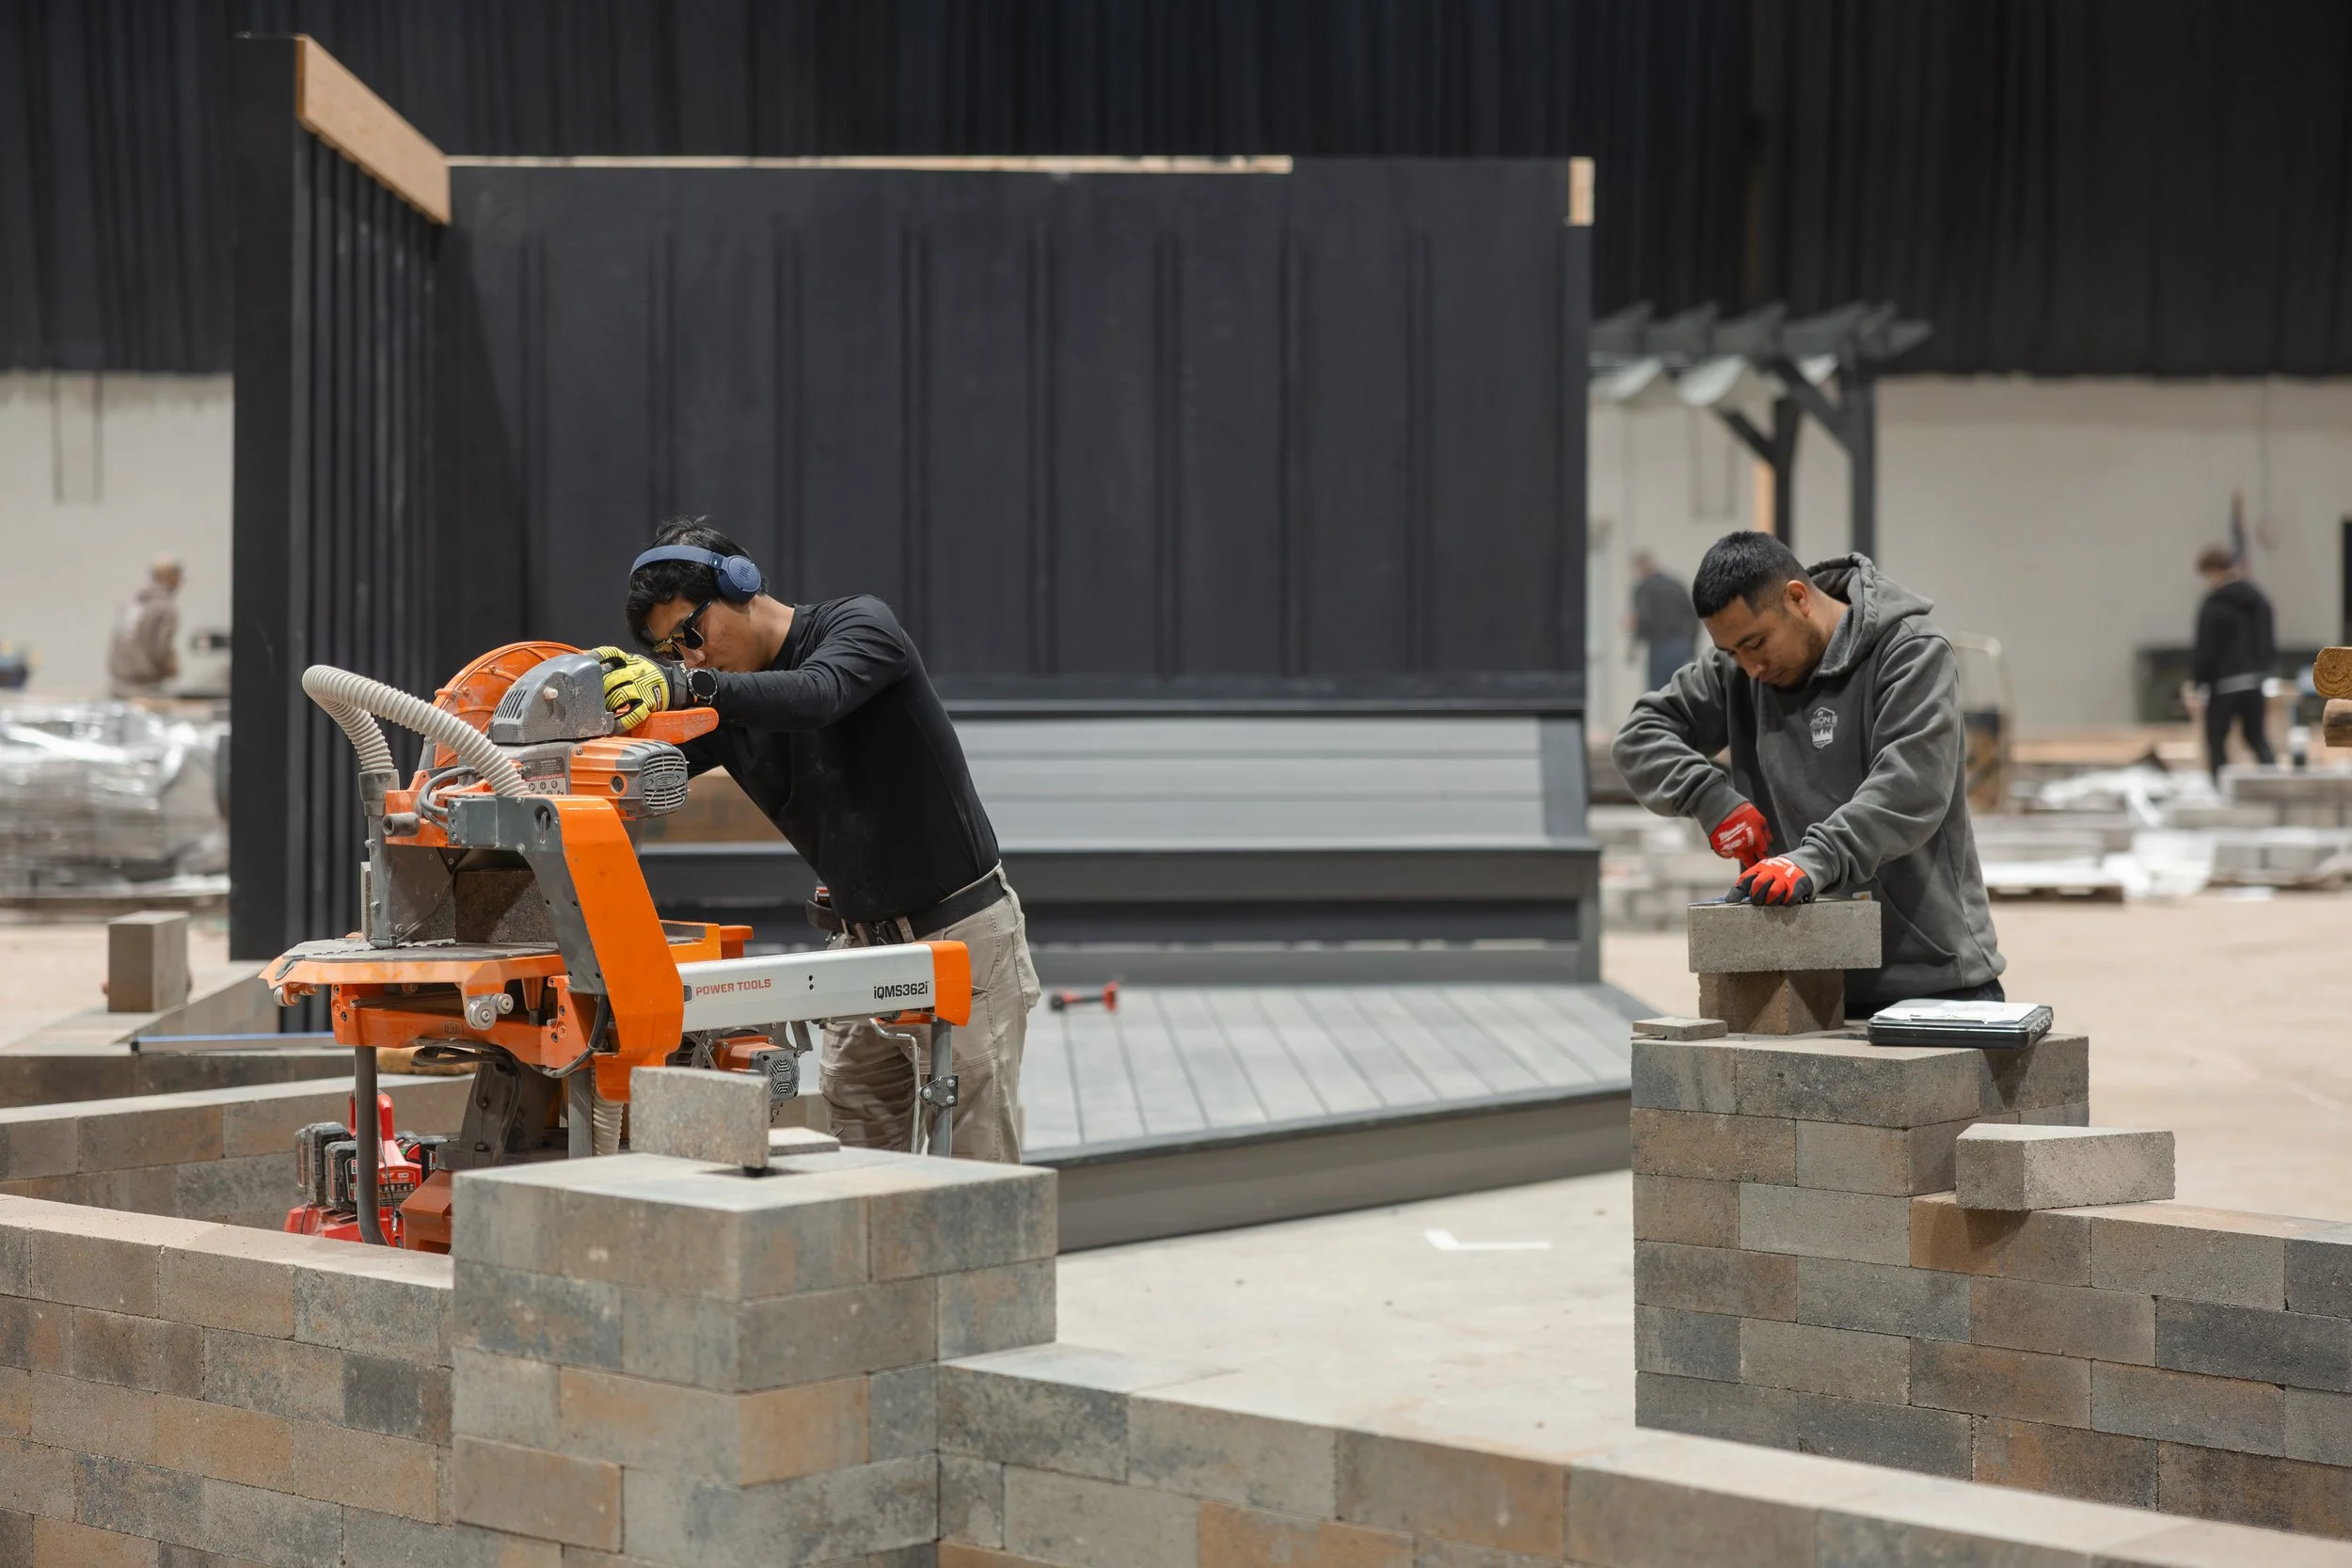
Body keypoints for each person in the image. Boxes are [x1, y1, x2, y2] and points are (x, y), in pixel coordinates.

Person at [596, 520, 1040, 1162]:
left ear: (741, 585)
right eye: (671, 651)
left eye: (691, 633)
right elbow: (636, 772)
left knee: (980, 1174)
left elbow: (816, 695)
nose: (690, 657)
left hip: (963, 940)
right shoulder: (722, 702)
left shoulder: (860, 628)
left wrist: (684, 687)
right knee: (856, 1176)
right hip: (857, 954)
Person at [1613, 531, 2005, 1013]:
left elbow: (1911, 786)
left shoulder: (1909, 652)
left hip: (1928, 979)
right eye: (1732, 652)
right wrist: (1711, 798)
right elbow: (1639, 737)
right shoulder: (1740, 668)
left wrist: (1813, 860)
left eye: (1755, 643)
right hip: (1801, 981)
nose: (1750, 667)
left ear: (1797, 598)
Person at [2188, 545, 2276, 780]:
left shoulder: (2213, 605)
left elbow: (2206, 648)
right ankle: (2273, 781)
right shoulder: (2256, 599)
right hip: (2253, 680)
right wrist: (2263, 665)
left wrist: (2199, 682)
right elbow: (2267, 635)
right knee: (2256, 737)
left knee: (2215, 738)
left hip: (2224, 683)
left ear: (2215, 571)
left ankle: (2220, 787)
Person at [106, 555, 182, 697]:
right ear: (172, 577)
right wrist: (170, 667)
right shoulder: (164, 608)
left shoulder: (133, 602)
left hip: (118, 685)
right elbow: (161, 649)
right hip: (145, 690)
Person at [1628, 550, 1698, 691]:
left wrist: (1634, 636)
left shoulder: (1644, 588)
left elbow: (1644, 618)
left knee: (1658, 695)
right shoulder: (1676, 584)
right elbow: (1693, 617)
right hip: (1681, 645)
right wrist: (1691, 647)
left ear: (1639, 567)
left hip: (1659, 647)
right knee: (1679, 691)